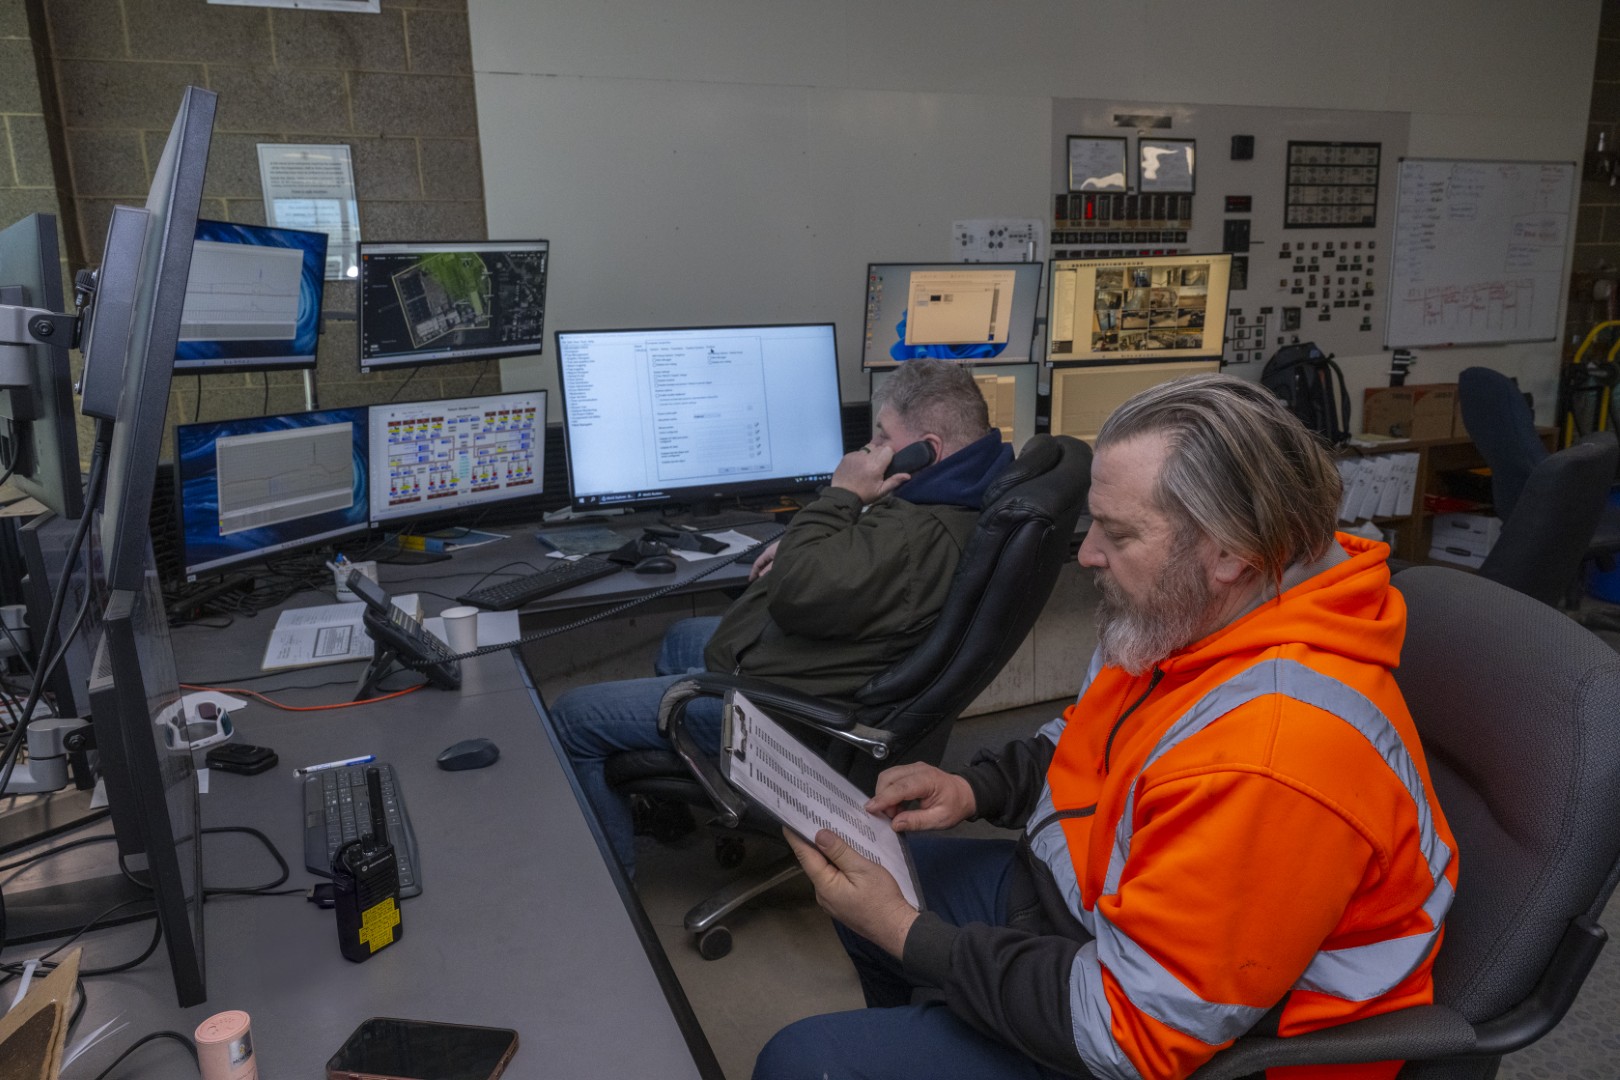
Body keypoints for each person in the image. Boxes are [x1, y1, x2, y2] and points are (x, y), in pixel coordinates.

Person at [756, 373, 1459, 1080]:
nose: (1088, 553)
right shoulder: (1192, 620)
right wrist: (972, 790)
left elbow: (1133, 1034)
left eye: (1117, 533)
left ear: (1229, 552)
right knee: (868, 878)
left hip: (1175, 1038)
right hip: (1092, 916)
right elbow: (1087, 743)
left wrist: (910, 937)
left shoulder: (1270, 756)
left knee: (802, 1060)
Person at [551, 359, 1013, 878]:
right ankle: (677, 797)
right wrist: (809, 536)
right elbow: (848, 567)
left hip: (789, 719)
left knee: (572, 717)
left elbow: (796, 593)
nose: (869, 450)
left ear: (927, 448)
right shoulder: (954, 496)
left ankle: (612, 898)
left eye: (882, 437)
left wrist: (839, 495)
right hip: (825, 669)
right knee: (682, 638)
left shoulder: (914, 539)